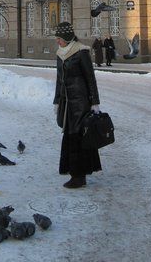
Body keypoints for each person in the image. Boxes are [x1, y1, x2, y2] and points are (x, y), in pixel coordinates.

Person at [53, 21, 102, 189]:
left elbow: (90, 78)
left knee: (79, 138)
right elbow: (59, 80)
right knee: (70, 137)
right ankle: (75, 173)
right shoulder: (60, 54)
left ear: (66, 37)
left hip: (81, 103)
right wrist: (57, 100)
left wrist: (95, 101)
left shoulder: (81, 52)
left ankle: (79, 176)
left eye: (59, 38)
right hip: (67, 104)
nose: (57, 41)